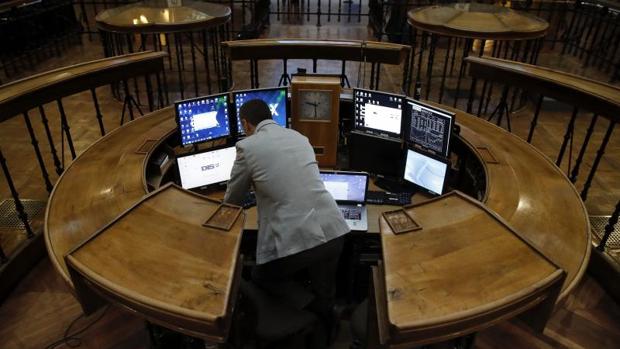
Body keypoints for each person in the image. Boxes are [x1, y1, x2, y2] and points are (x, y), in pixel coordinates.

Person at [224, 99, 349, 344]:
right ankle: (327, 321)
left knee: (262, 276)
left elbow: (232, 201)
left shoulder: (247, 147)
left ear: (246, 124)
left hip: (300, 241)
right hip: (335, 230)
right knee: (324, 286)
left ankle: (311, 309)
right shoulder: (299, 138)